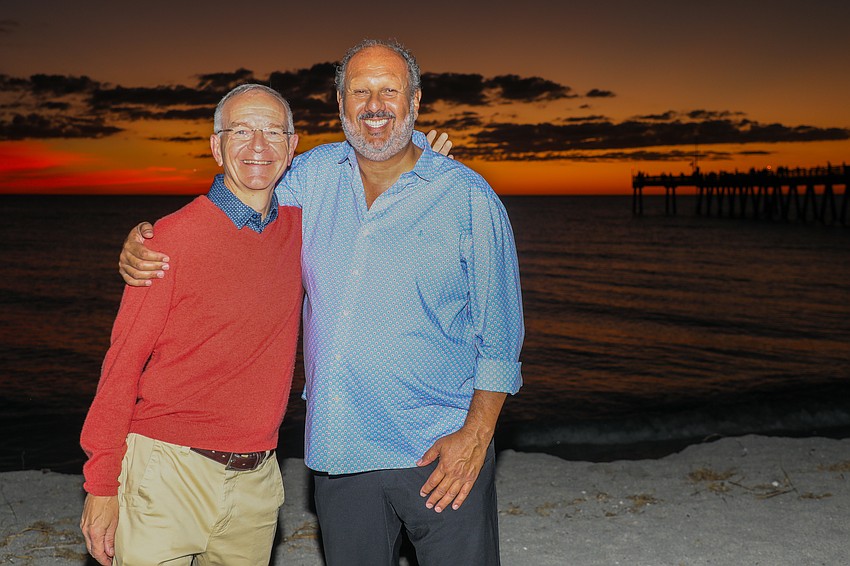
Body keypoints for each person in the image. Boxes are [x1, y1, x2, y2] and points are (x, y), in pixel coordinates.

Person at [119, 39, 524, 565]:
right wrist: (151, 238)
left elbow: (501, 331)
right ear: (339, 105)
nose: (374, 106)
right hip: (343, 453)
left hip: (440, 450)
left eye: (389, 91)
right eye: (360, 91)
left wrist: (475, 436)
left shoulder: (466, 197)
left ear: (416, 102)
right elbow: (242, 200)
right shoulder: (309, 177)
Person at [80, 84, 303, 565]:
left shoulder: (303, 231)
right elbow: (121, 365)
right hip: (166, 474)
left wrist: (425, 153)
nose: (258, 146)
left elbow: (375, 172)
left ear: (293, 145)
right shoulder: (167, 241)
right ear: (215, 145)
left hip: (259, 481)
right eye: (241, 131)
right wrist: (101, 484)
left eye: (272, 132)